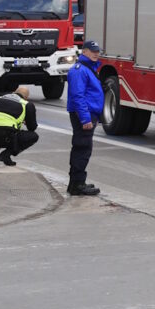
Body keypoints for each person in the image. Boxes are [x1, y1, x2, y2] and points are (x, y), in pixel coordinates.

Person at [65, 40, 104, 196]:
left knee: (82, 147)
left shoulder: (88, 69)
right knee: (82, 148)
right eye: (92, 51)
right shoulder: (79, 70)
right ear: (84, 52)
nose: (96, 54)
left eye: (97, 51)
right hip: (84, 114)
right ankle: (77, 185)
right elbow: (78, 96)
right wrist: (85, 119)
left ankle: (76, 182)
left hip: (88, 113)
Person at [0, 86, 39, 167]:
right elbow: (32, 128)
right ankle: (6, 154)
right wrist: (26, 121)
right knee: (33, 136)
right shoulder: (26, 104)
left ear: (14, 92)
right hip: (6, 137)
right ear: (26, 98)